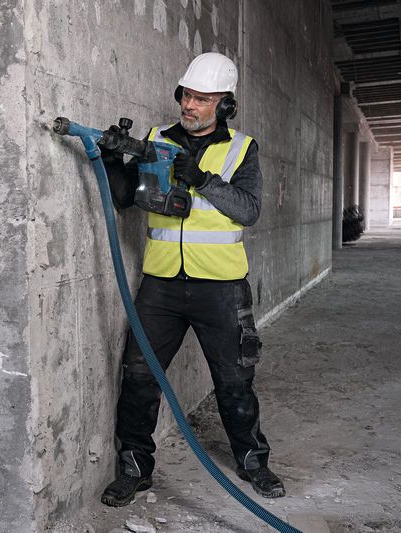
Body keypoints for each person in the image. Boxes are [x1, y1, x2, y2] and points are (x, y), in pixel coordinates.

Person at [99, 52, 286, 507]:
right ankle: (135, 467)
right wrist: (111, 161)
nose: (190, 105)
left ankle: (253, 463)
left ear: (224, 106)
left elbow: (248, 209)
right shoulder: (157, 139)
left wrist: (201, 179)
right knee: (140, 377)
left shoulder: (243, 149)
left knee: (234, 381)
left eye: (203, 98)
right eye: (187, 95)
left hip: (221, 288)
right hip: (161, 285)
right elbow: (127, 199)